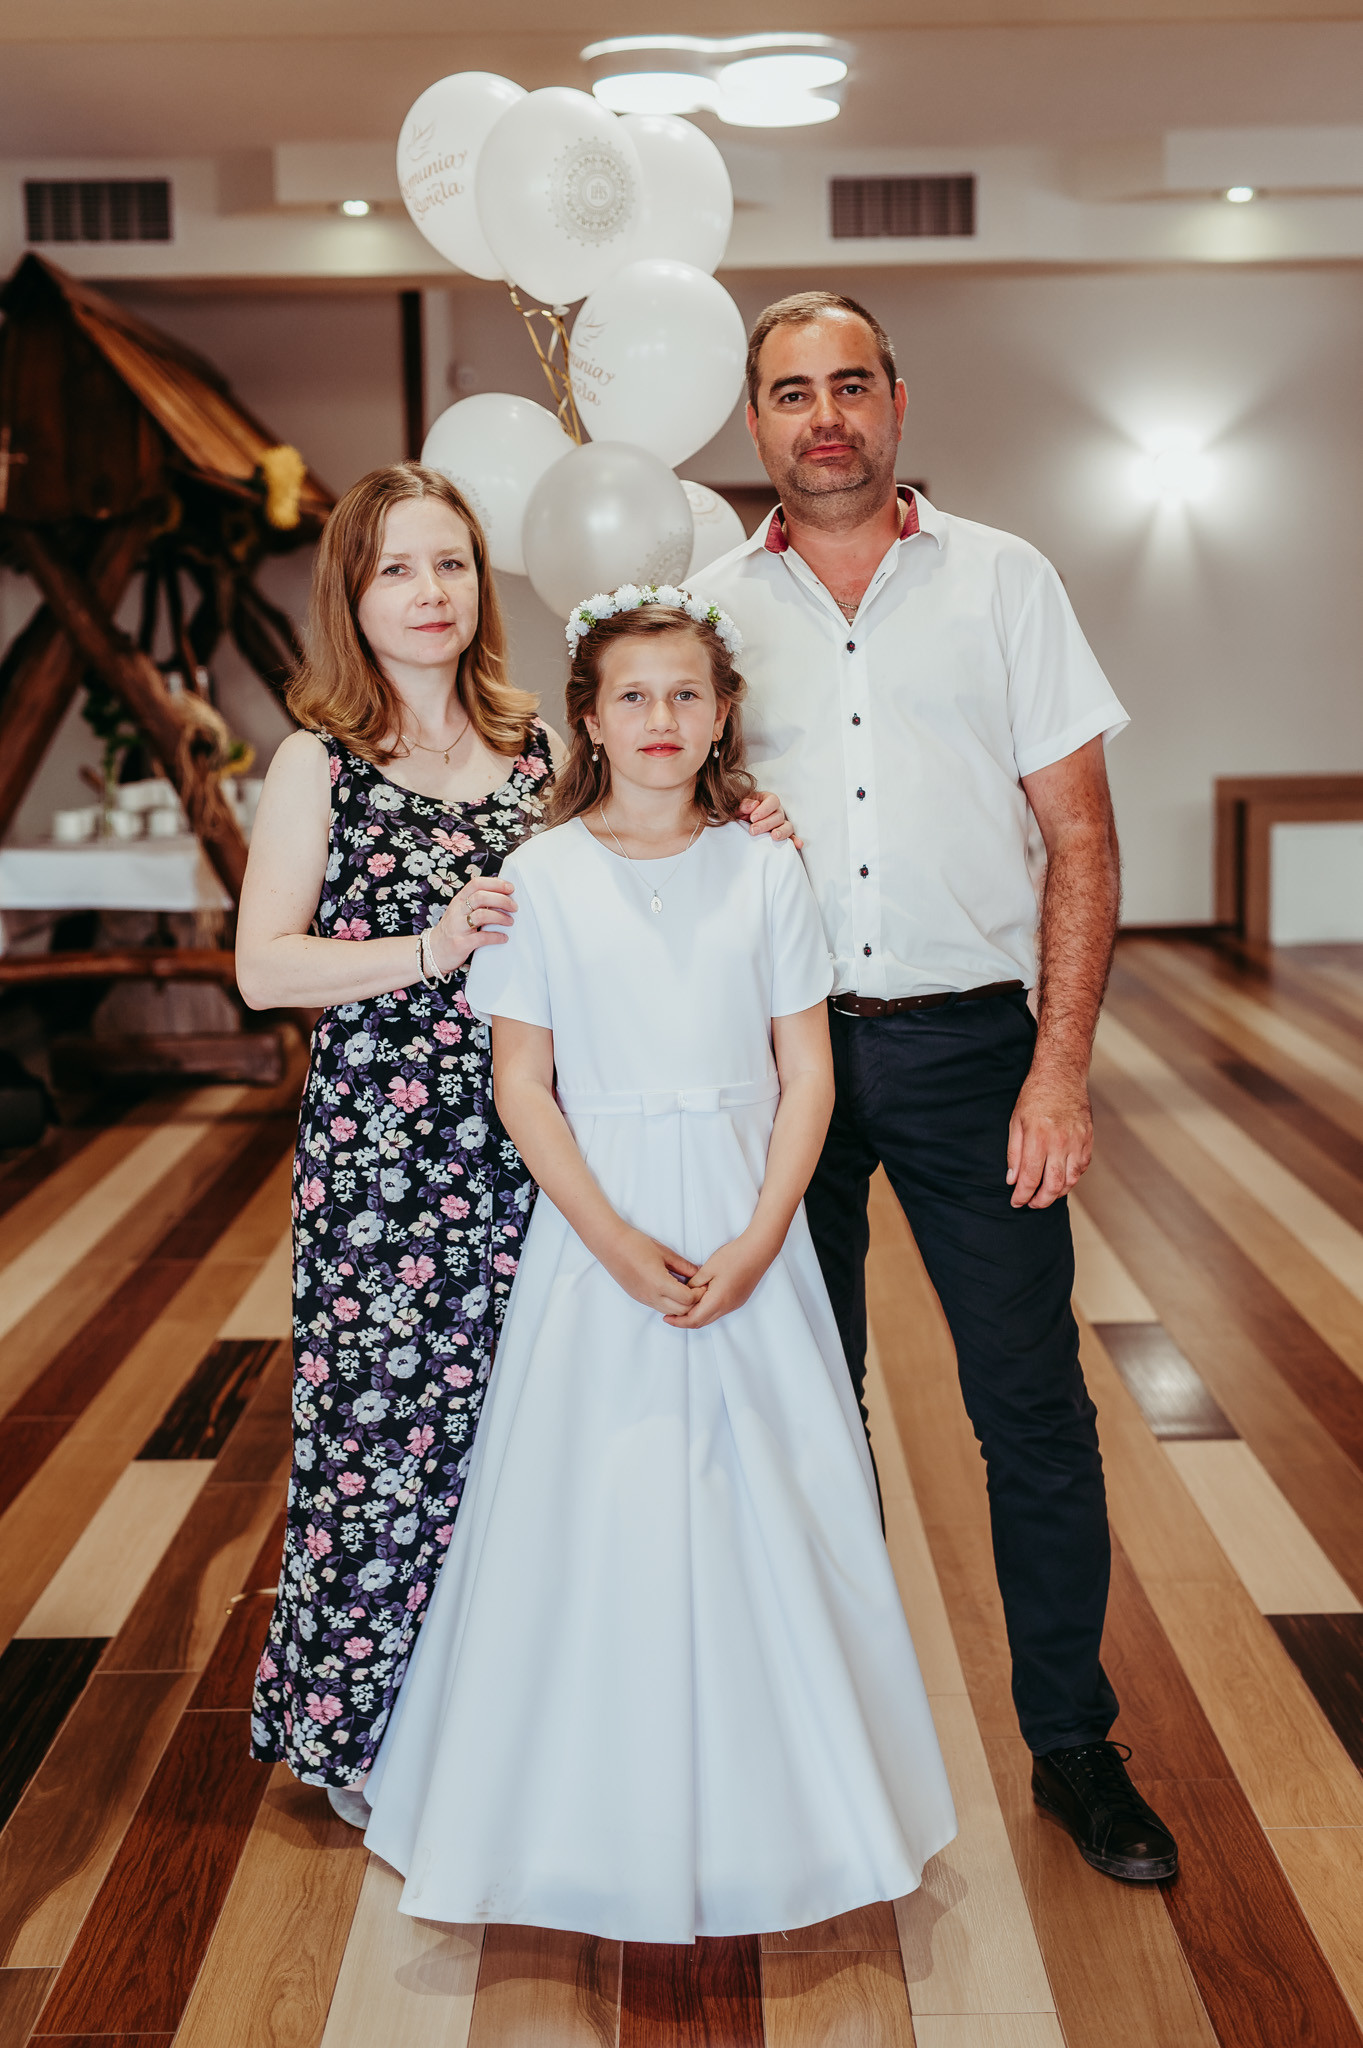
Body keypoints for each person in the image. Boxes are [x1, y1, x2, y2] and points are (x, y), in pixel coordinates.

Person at [362, 587, 957, 1942]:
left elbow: (807, 1075)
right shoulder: (542, 876)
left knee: (779, 1498)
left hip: (746, 1219)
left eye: (688, 694)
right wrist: (617, 1241)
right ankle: (571, 1823)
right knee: (596, 1502)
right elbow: (523, 1086)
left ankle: (797, 1815)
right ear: (587, 717)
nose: (661, 719)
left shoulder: (763, 868)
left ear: (724, 712)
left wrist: (762, 1236)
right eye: (632, 695)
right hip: (603, 1222)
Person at [690, 292, 1178, 1884]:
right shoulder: (703, 612)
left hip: (976, 1050)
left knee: (1033, 1408)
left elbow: (1082, 839)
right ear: (754, 422)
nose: (825, 417)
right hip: (778, 1060)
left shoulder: (1006, 580)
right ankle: (835, 1744)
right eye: (792, 393)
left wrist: (1059, 1071)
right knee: (801, 1408)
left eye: (850, 385)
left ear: (896, 400)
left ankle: (1075, 1743)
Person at [237, 467, 792, 1825]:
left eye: (451, 564)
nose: (429, 593)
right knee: (382, 1441)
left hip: (545, 1136)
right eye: (395, 570)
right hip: (389, 1158)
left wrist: (746, 818)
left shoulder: (538, 742)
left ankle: (499, 1735)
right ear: (351, 597)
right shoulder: (319, 761)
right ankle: (361, 1740)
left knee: (525, 1440)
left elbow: (642, 845)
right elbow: (262, 968)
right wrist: (426, 949)